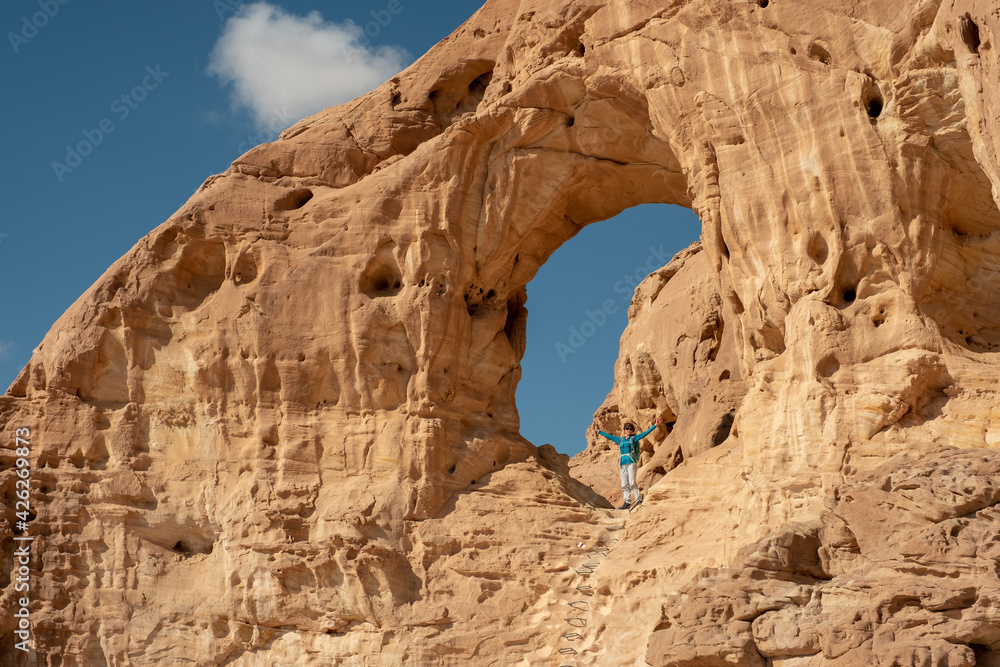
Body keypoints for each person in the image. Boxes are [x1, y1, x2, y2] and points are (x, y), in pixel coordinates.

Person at [593, 416, 663, 510]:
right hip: (622, 463)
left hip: (631, 462)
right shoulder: (620, 440)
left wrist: (655, 425)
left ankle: (638, 499)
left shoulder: (634, 438)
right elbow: (609, 436)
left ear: (632, 431)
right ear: (624, 430)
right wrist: (598, 431)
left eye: (630, 429)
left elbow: (644, 434)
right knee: (624, 484)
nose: (628, 430)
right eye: (627, 428)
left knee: (632, 482)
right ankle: (627, 503)